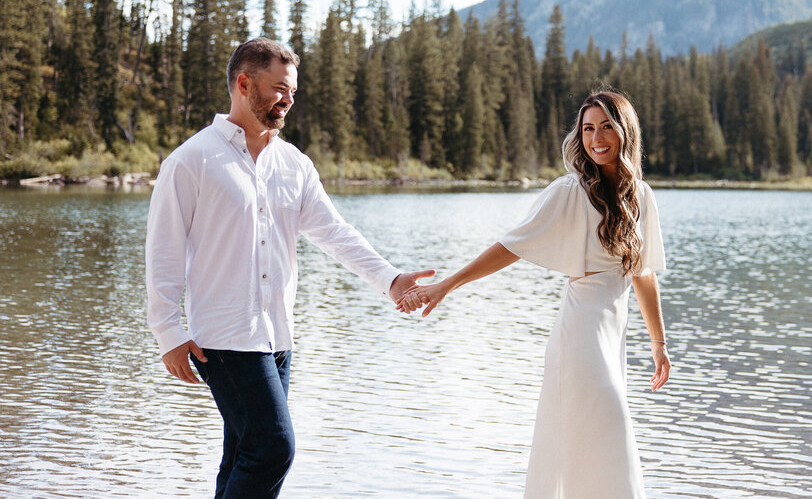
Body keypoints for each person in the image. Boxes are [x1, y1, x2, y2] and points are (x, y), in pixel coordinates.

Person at [145, 37, 433, 499]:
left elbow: (334, 232)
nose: (288, 100)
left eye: (293, 92)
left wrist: (391, 279)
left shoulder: (294, 164)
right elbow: (163, 253)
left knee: (242, 454)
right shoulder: (192, 160)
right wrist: (168, 333)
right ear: (243, 83)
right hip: (225, 338)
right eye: (279, 89)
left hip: (278, 339)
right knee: (273, 449)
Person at [399, 89, 670, 499]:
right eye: (588, 129)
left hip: (613, 335)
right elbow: (512, 246)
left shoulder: (641, 196)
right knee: (607, 429)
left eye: (607, 127)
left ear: (625, 130)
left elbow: (643, 273)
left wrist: (659, 342)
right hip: (580, 333)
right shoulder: (570, 191)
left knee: (597, 442)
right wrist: (446, 285)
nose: (596, 138)